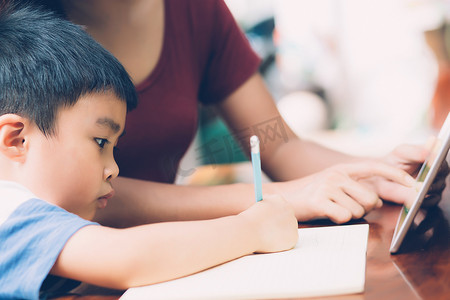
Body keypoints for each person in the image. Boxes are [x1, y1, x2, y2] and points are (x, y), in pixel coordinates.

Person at [28, 0, 436, 227]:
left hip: (176, 255)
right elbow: (66, 192)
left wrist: (378, 172)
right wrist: (271, 199)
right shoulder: (18, 25)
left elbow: (279, 142)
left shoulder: (196, 11)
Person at [0, 5, 299, 298]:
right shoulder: (11, 213)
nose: (114, 170)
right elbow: (124, 257)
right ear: (16, 139)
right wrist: (252, 229)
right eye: (101, 142)